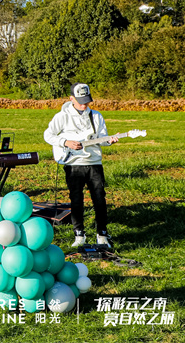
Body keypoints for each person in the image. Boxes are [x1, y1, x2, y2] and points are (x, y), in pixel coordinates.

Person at [44, 83, 117, 247]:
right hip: (73, 163)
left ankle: (102, 235)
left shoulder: (96, 116)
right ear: (71, 99)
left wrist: (109, 141)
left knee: (99, 199)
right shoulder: (62, 116)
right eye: (80, 101)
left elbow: (102, 139)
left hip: (94, 163)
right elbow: (48, 135)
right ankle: (79, 235)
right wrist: (65, 142)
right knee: (76, 200)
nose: (84, 105)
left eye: (86, 101)